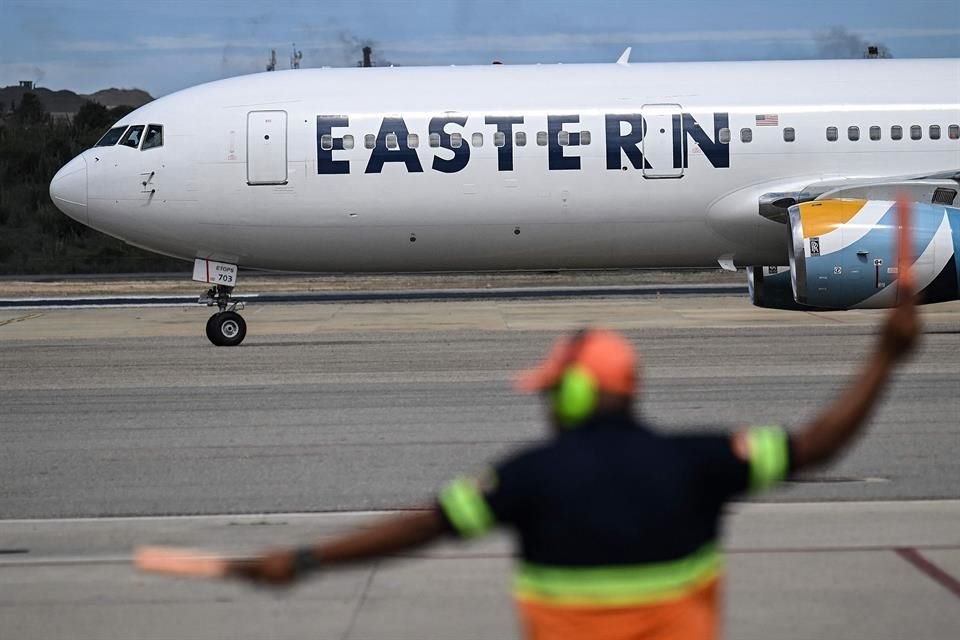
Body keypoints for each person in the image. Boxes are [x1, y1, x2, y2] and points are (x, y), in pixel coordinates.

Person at [228, 281, 919, 639]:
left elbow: (421, 527)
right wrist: (887, 355)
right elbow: (823, 442)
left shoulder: (529, 477)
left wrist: (306, 560)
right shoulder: (701, 462)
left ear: (572, 391)